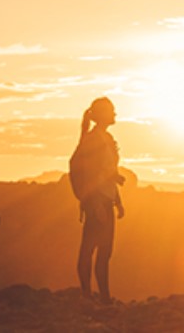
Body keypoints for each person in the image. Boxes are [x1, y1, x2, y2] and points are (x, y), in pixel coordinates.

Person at [70, 97, 126, 301]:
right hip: (97, 201)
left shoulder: (105, 138)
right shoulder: (93, 140)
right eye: (111, 111)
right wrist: (93, 204)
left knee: (103, 250)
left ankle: (101, 296)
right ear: (101, 114)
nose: (115, 114)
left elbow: (107, 172)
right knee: (92, 248)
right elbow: (90, 174)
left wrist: (118, 201)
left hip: (106, 198)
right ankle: (92, 295)